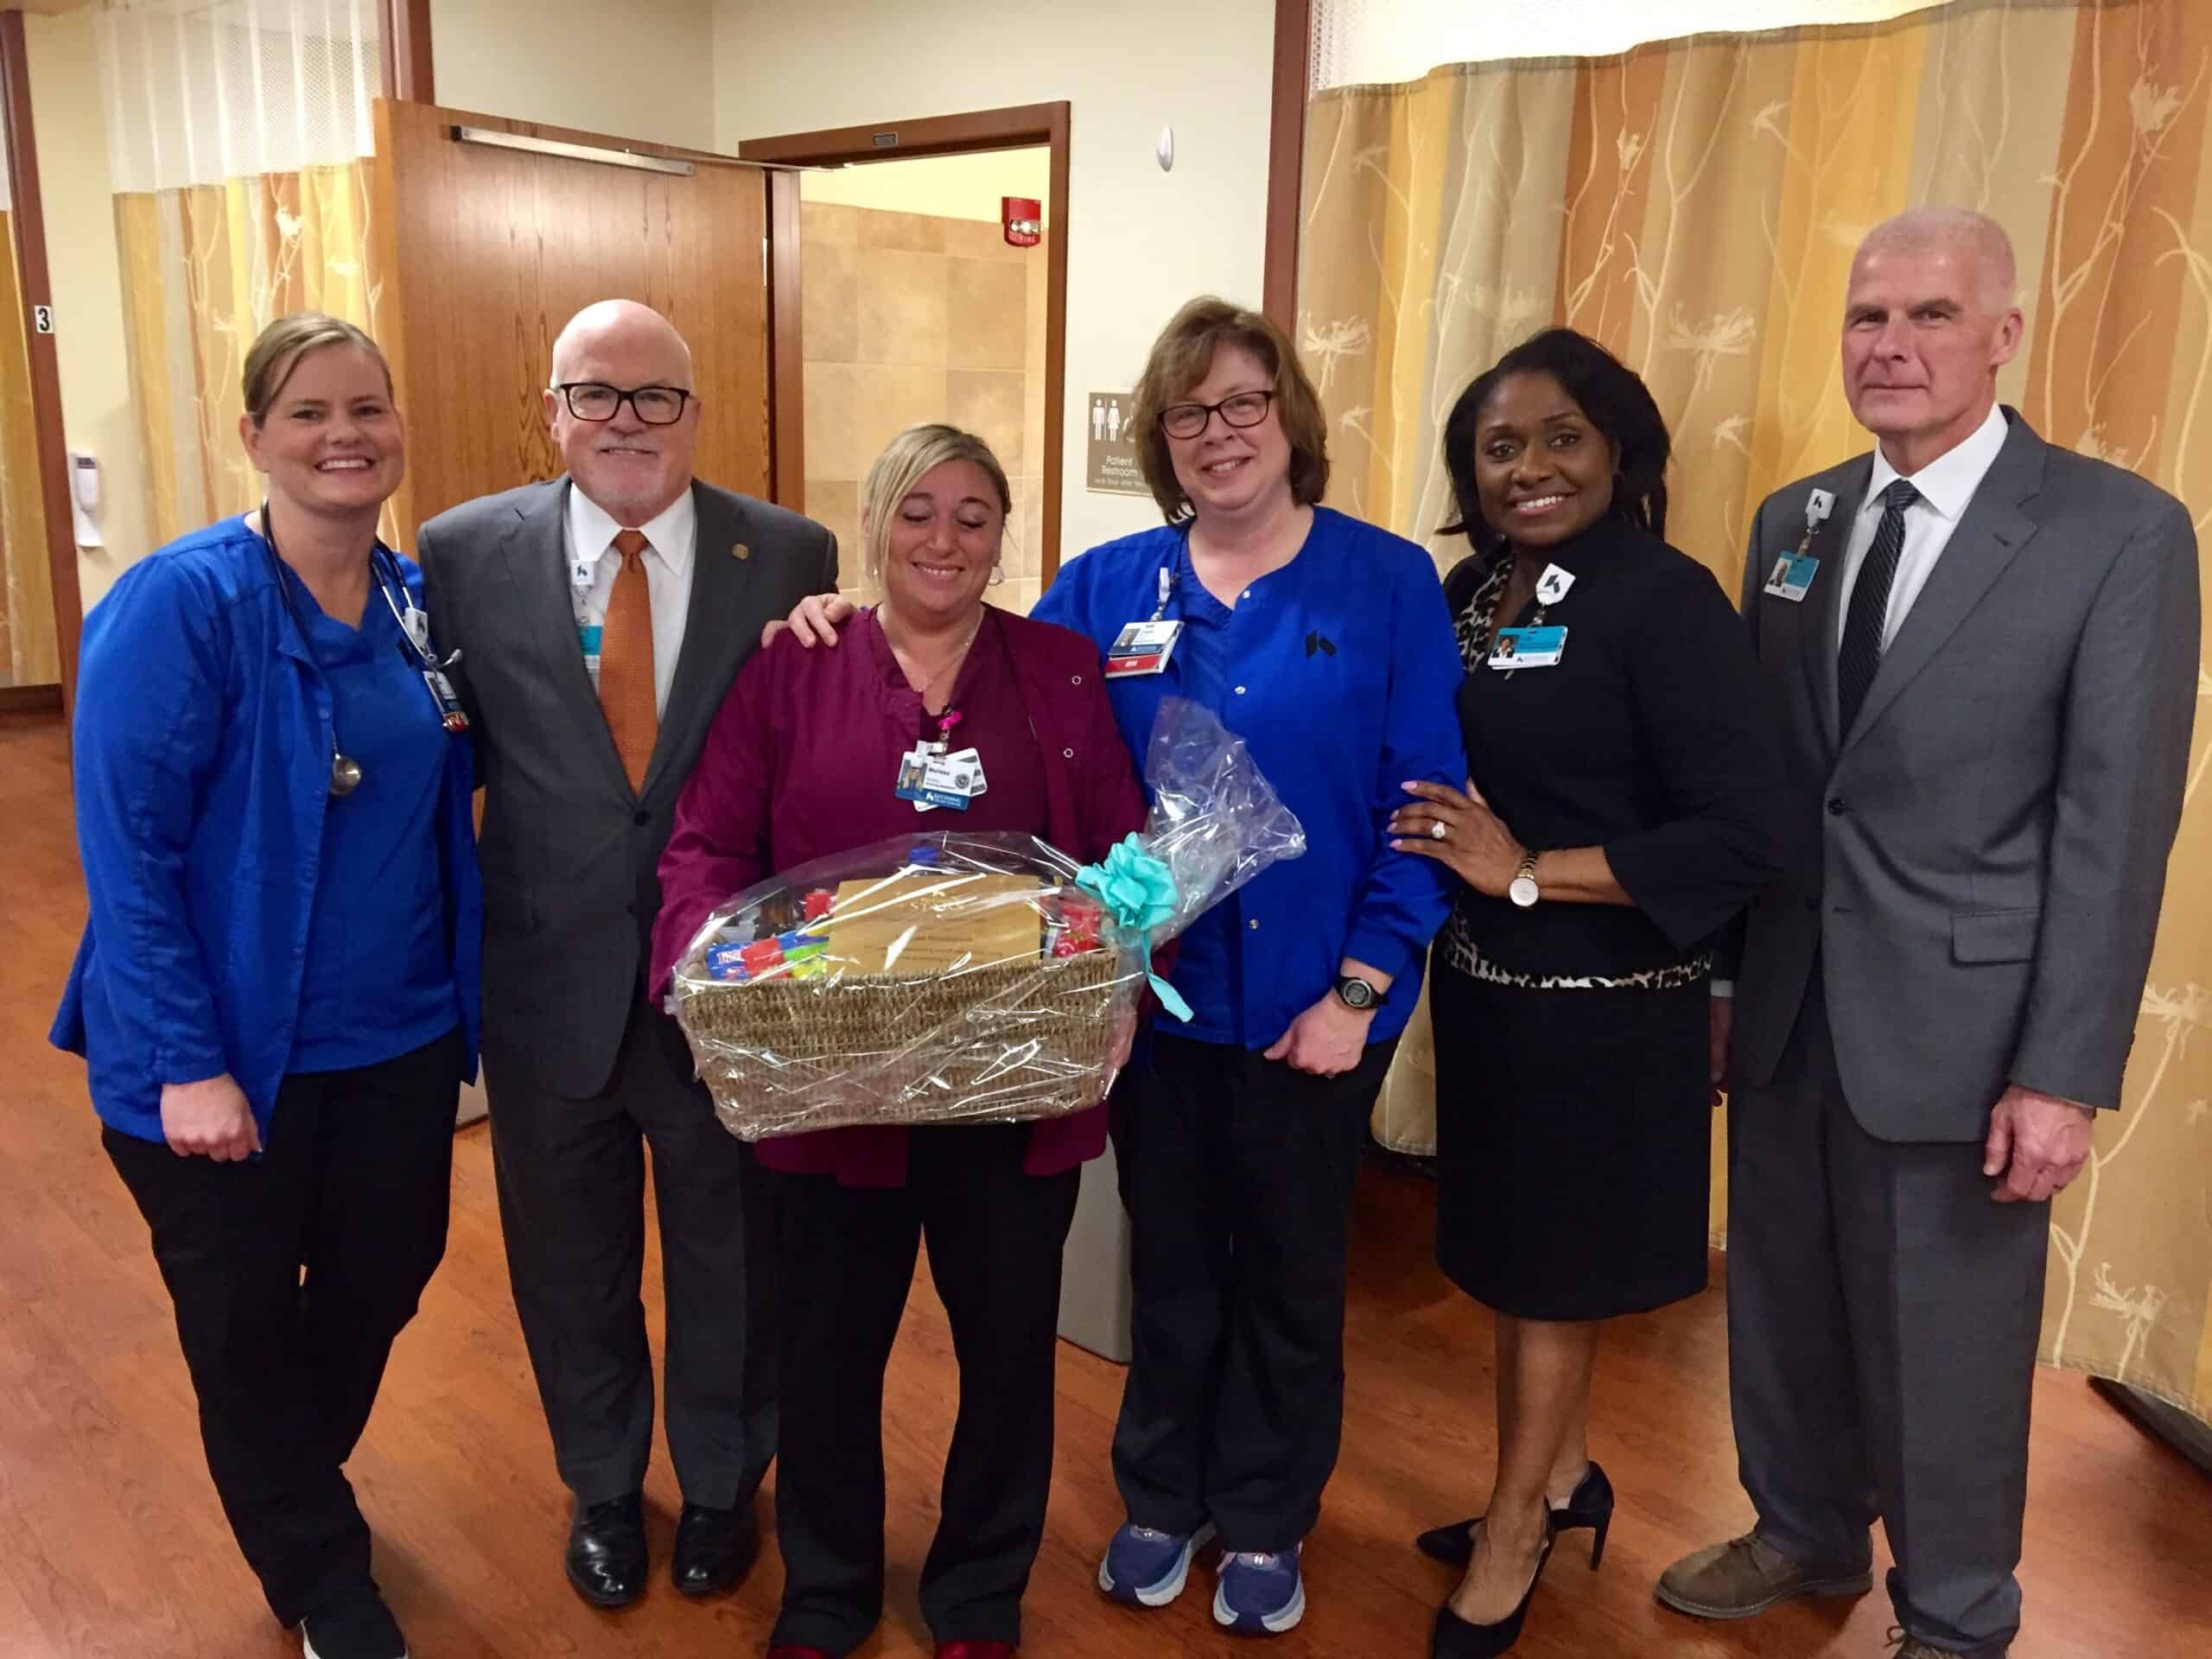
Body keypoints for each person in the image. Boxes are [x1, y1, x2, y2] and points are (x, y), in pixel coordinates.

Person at [778, 296, 1466, 1635]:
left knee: (1288, 1271)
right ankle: (1161, 1493)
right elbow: (966, 675)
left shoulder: (1384, 582)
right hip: (1142, 1010)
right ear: (1163, 440)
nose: (1219, 434)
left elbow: (1423, 804)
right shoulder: (1104, 588)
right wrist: (837, 618)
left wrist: (1364, 989)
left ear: (1290, 419)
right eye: (1189, 414)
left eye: (1244, 406)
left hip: (1317, 1013)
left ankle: (1266, 1517)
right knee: (1169, 1266)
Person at [1656, 210, 2199, 1659]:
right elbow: (1768, 790)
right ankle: (1804, 1529)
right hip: (1785, 1005)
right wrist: (1720, 976)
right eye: (1865, 317)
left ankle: (1957, 1616)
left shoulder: (2118, 532)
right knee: (1780, 1300)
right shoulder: (1797, 521)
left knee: (1945, 1351)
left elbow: (2115, 828)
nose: (1889, 346)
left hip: (1970, 1036)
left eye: (1931, 316)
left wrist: (2063, 1071)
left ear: (2005, 334)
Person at [651, 424, 1147, 1659]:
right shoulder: (793, 669)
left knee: (1007, 1354)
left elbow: (1125, 855)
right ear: (874, 522)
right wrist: (699, 965)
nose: (945, 539)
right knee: (824, 1353)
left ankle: (978, 1593)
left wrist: (1125, 966)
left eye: (974, 515)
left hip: (1015, 1081)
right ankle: (827, 1589)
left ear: (1002, 534)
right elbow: (708, 843)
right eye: (918, 511)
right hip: (832, 1087)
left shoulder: (1063, 671)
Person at [52, 313, 482, 1659]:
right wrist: (188, 1061)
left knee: (387, 1267)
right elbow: (126, 854)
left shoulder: (412, 602)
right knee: (241, 1325)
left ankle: (288, 1474)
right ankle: (323, 1580)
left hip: (398, 1032)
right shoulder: (184, 604)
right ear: (253, 438)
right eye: (308, 412)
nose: (344, 435)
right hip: (217, 1052)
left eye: (368, 407)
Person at [415, 299, 837, 1611]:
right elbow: (446, 753)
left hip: (723, 989)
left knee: (734, 1257)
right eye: (594, 395)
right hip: (548, 983)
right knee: (567, 1257)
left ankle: (722, 1486)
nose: (626, 422)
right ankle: (602, 1483)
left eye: (656, 396)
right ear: (552, 411)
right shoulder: (460, 552)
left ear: (695, 412)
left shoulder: (788, 553)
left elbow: (810, 747)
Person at [1389, 328, 1785, 1657]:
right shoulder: (1465, 593)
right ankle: (1560, 1482)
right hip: (1494, 996)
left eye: (1562, 437)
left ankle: (1514, 1533)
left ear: (1620, 448)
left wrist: (1524, 871)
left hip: (1610, 1002)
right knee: (1515, 1267)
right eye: (1501, 447)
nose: (1531, 468)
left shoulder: (1663, 600)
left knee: (1555, 1276)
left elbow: (1741, 832)